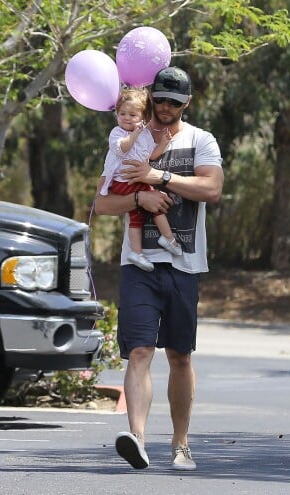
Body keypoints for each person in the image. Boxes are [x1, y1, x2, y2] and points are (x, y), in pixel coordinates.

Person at [94, 67, 224, 471]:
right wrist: (140, 201)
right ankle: (137, 437)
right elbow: (101, 204)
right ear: (150, 98)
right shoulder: (125, 138)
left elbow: (212, 188)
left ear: (187, 103)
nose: (165, 107)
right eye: (159, 99)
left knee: (180, 356)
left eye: (173, 101)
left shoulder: (199, 140)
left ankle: (181, 444)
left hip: (185, 264)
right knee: (139, 350)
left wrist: (159, 178)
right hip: (139, 265)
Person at [100, 88, 182, 272]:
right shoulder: (117, 133)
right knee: (154, 202)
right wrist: (134, 134)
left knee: (138, 216)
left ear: (143, 118)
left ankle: (139, 251)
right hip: (124, 181)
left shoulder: (145, 134)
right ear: (116, 114)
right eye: (122, 113)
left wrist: (163, 144)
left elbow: (151, 155)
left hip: (137, 179)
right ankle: (168, 239)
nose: (126, 118)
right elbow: (122, 148)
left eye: (132, 114)